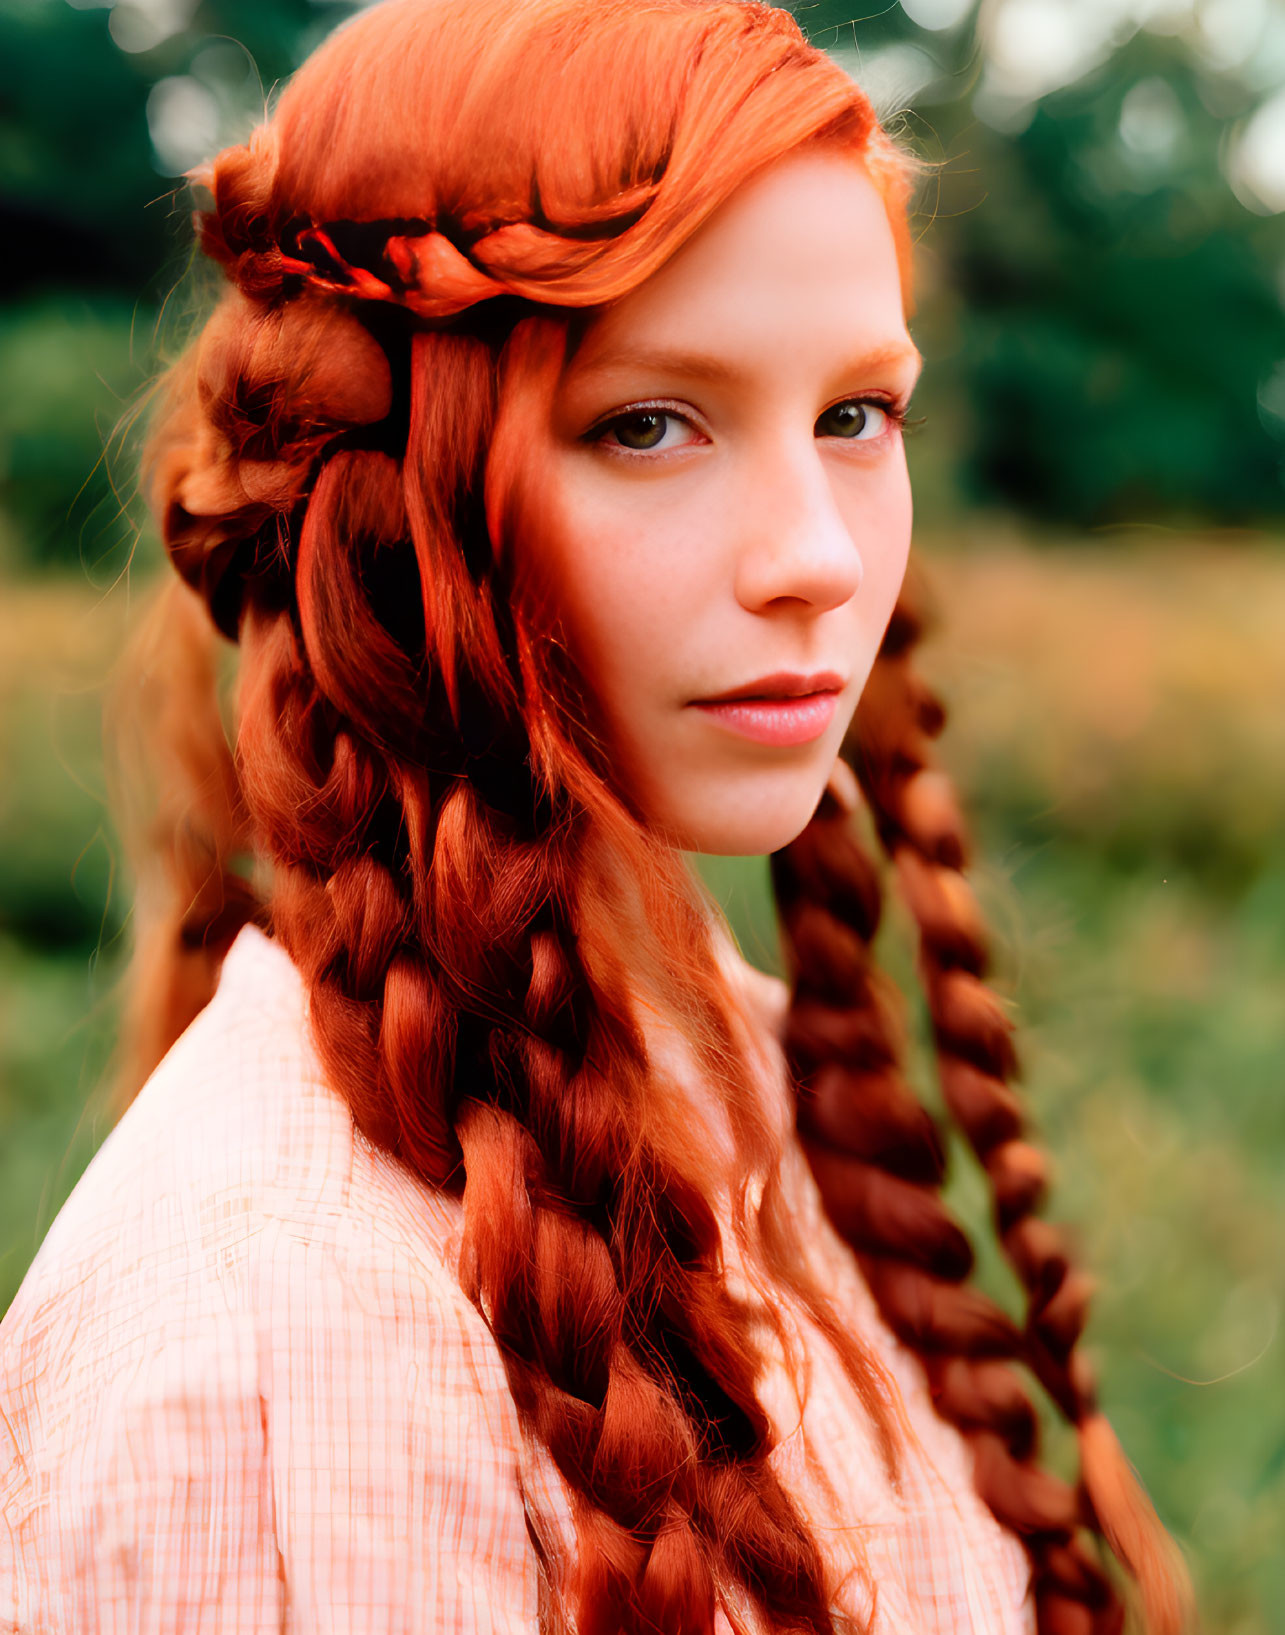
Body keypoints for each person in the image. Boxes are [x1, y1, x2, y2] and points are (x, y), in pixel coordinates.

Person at [0, 1, 1192, 1631]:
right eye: (648, 424)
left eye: (855, 416)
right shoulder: (278, 1338)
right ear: (392, 507)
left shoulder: (764, 1095)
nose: (816, 559)